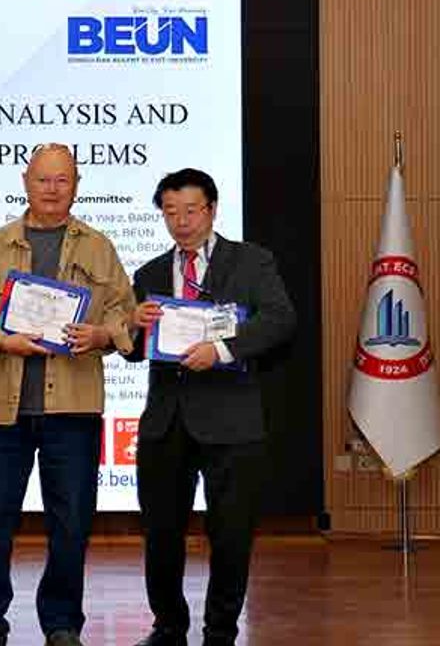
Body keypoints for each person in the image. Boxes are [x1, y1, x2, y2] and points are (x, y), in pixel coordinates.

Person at [0, 143, 136, 646]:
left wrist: (102, 334)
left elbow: (124, 312)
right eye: (43, 179)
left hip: (73, 408)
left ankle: (61, 622)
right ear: (25, 183)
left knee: (71, 522)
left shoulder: (99, 247)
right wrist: (0, 340)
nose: (52, 189)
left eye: (62, 180)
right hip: (3, 409)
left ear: (76, 186)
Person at [125, 168, 295, 646]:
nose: (181, 221)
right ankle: (167, 626)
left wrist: (221, 350)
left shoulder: (251, 262)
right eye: (170, 212)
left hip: (232, 420)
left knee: (231, 533)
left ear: (212, 210)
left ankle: (220, 631)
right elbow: (134, 351)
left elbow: (280, 320)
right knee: (161, 532)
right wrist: (133, 323)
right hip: (166, 423)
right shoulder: (149, 274)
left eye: (191, 210)